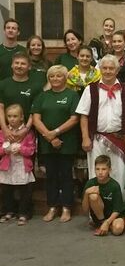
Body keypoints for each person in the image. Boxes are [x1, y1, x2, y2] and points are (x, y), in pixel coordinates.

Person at [76, 54, 125, 196]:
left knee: (119, 173)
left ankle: (118, 205)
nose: (108, 71)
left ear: (117, 70)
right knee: (96, 173)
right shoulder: (90, 89)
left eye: (111, 68)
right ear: (100, 69)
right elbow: (83, 116)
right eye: (105, 68)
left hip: (119, 139)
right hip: (96, 140)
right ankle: (97, 206)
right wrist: (85, 138)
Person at [32, 65, 80, 223]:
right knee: (51, 176)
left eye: (59, 76)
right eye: (52, 76)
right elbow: (36, 119)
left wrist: (56, 132)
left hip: (67, 143)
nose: (55, 79)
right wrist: (49, 136)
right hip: (47, 143)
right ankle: (52, 207)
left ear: (65, 78)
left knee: (66, 175)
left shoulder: (72, 95)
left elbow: (74, 119)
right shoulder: (42, 96)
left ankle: (67, 207)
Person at [0, 104, 36, 226]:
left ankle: (23, 213)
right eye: (9, 116)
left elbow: (31, 150)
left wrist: (21, 149)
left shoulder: (28, 133)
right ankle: (8, 211)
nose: (12, 119)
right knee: (6, 190)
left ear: (21, 117)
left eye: (15, 116)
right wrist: (5, 150)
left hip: (22, 166)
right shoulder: (3, 132)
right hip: (7, 166)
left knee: (24, 191)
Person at [0, 52, 44, 142]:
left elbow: (35, 111)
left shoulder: (36, 87)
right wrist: (5, 129)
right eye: (16, 63)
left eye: (23, 64)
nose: (19, 66)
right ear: (12, 65)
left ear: (29, 67)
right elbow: (0, 108)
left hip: (28, 134)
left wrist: (25, 129)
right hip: (5, 133)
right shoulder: (3, 85)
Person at [82, 155, 125, 236]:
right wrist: (86, 193)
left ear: (109, 170)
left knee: (118, 229)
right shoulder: (90, 183)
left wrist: (107, 222)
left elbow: (117, 210)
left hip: (113, 216)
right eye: (97, 169)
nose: (100, 172)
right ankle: (101, 223)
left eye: (104, 169)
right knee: (93, 196)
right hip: (99, 217)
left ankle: (106, 225)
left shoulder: (115, 185)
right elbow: (85, 210)